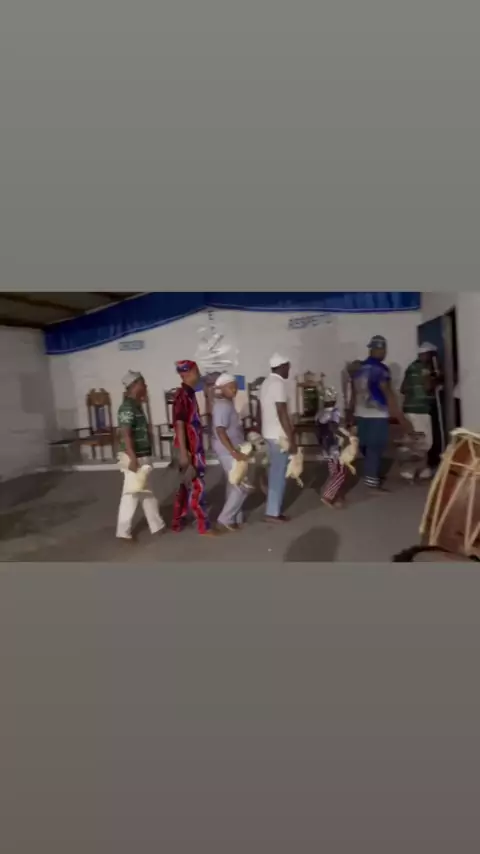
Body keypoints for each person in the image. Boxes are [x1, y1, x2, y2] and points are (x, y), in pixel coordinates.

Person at [351, 335, 413, 490]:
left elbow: (353, 393)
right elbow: (388, 393)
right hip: (377, 413)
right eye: (383, 349)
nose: (384, 353)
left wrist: (350, 413)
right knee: (376, 446)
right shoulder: (381, 369)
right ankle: (372, 481)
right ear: (380, 349)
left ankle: (370, 472)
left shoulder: (359, 369)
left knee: (365, 445)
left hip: (360, 412)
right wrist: (400, 417)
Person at [116, 371, 166, 541]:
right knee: (131, 494)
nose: (145, 387)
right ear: (135, 385)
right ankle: (123, 532)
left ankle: (157, 525)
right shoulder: (127, 407)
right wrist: (132, 457)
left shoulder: (136, 406)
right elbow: (126, 433)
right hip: (134, 456)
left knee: (146, 492)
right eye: (143, 383)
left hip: (141, 455)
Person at [172, 359, 216, 536]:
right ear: (189, 373)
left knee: (185, 485)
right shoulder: (182, 395)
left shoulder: (189, 394)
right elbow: (179, 424)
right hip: (190, 449)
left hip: (192, 446)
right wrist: (184, 453)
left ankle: (177, 522)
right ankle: (204, 526)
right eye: (197, 372)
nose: (199, 375)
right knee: (198, 486)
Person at [260, 353, 297, 523]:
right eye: (288, 366)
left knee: (275, 471)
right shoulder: (278, 384)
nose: (289, 369)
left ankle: (271, 505)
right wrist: (291, 438)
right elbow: (282, 412)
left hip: (268, 433)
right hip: (279, 436)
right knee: (278, 474)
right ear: (282, 366)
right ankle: (273, 513)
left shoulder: (266, 382)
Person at [212, 373, 251, 532]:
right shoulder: (222, 406)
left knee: (233, 484)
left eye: (235, 386)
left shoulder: (227, 404)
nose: (234, 390)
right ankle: (225, 519)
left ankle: (235, 519)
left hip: (232, 449)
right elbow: (220, 431)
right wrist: (233, 451)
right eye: (230, 387)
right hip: (228, 451)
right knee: (242, 486)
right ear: (221, 388)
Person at [400, 342, 442, 481]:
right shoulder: (426, 368)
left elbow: (403, 388)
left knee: (414, 440)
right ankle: (410, 470)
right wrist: (437, 379)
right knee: (424, 442)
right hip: (420, 410)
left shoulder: (411, 367)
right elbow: (428, 386)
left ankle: (423, 470)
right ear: (429, 355)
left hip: (409, 409)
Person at [315, 387, 348, 508]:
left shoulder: (319, 413)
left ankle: (336, 494)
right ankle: (328, 496)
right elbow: (334, 428)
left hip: (325, 446)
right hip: (334, 445)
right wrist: (346, 436)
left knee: (334, 471)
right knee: (340, 472)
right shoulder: (335, 412)